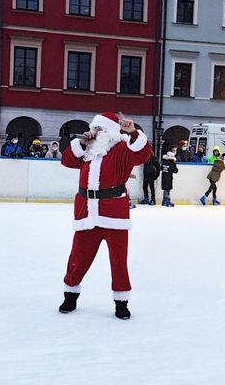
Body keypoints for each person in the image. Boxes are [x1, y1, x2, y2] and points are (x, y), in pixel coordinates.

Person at [58, 112, 151, 320]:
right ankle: (70, 295)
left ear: (109, 131)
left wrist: (133, 132)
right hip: (86, 213)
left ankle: (121, 302)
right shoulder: (87, 152)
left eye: (99, 129)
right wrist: (82, 142)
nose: (95, 132)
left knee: (119, 261)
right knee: (77, 258)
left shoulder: (121, 150)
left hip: (114, 215)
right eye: (94, 128)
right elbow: (66, 160)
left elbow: (142, 154)